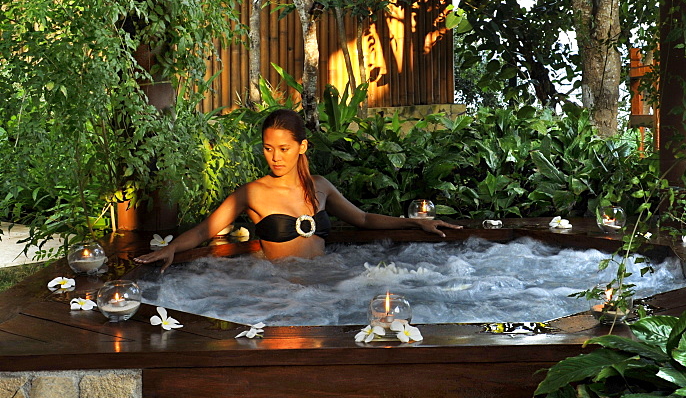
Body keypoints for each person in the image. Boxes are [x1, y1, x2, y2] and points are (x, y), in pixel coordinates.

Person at [134, 108, 461, 271]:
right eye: (267, 148)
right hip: (278, 287)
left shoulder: (320, 187)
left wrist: (415, 222)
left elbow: (362, 219)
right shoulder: (252, 193)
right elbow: (206, 229)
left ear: (302, 147)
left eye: (284, 149)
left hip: (324, 280)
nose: (275, 157)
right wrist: (172, 247)